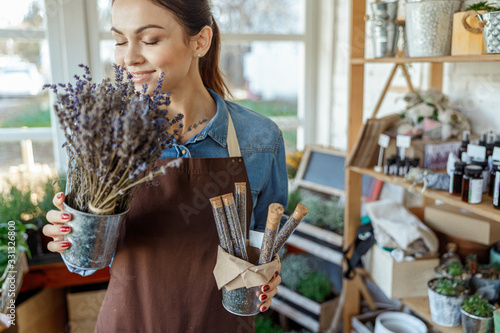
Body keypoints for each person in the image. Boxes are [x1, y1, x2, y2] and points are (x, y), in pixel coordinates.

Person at [43, 0, 288, 332]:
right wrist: (71, 236)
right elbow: (84, 265)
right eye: (119, 40)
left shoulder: (259, 140)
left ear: (200, 41)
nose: (128, 57)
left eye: (150, 40)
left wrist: (266, 276)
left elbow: (263, 249)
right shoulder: (106, 137)